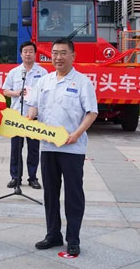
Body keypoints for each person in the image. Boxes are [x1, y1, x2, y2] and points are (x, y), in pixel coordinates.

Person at [27, 38, 98, 257]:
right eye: (55, 53)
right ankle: (53, 234)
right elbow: (33, 106)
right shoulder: (44, 81)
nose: (58, 57)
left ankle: (73, 238)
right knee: (50, 193)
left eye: (63, 53)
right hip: (48, 146)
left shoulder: (82, 82)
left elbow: (92, 112)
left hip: (72, 148)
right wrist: (30, 119)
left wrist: (76, 134)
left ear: (73, 55)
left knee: (73, 194)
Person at [2, 41, 48, 188]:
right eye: (25, 51)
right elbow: (5, 90)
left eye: (30, 51)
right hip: (17, 116)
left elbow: (46, 93)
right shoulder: (14, 72)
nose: (28, 54)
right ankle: (15, 177)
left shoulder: (43, 73)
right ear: (21, 54)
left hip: (34, 117)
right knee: (16, 149)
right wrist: (17, 93)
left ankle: (33, 177)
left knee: (33, 149)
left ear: (35, 54)